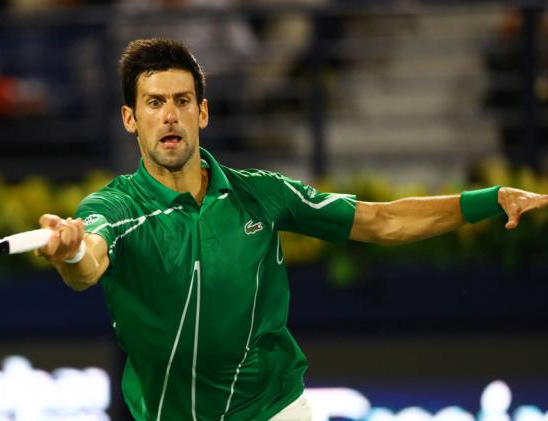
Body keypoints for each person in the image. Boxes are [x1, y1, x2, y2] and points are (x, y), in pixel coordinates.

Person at [35, 38, 548, 421]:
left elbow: (381, 221)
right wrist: (73, 251)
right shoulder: (117, 206)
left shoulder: (263, 194)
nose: (170, 116)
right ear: (130, 119)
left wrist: (490, 199)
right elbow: (89, 265)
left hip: (273, 408)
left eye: (182, 100)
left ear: (203, 112)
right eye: (154, 103)